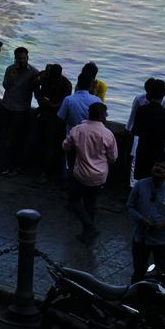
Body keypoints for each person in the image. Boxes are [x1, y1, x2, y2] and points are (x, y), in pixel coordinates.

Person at [63, 101, 118, 245]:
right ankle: (88, 230)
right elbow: (113, 157)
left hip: (80, 173)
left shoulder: (78, 129)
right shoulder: (107, 134)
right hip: (99, 175)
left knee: (75, 201)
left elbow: (66, 146)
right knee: (90, 202)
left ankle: (89, 228)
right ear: (101, 116)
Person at [127, 160, 165, 281]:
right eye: (156, 165)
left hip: (161, 241)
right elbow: (130, 206)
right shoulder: (140, 185)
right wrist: (141, 219)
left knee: (161, 273)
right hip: (141, 239)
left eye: (162, 167)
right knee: (138, 272)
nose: (158, 168)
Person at [0, 46, 38, 176]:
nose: (22, 61)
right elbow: (6, 86)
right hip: (7, 106)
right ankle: (3, 164)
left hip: (21, 109)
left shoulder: (33, 72)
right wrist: (12, 77)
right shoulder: (10, 69)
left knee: (14, 139)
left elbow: (36, 90)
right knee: (4, 137)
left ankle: (10, 166)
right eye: (19, 58)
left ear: (27, 58)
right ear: (15, 59)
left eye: (24, 58)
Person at [34, 63, 73, 180]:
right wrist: (41, 99)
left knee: (49, 144)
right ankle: (44, 171)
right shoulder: (47, 78)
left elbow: (63, 103)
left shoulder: (64, 84)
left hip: (54, 117)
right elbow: (36, 86)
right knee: (45, 143)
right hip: (46, 113)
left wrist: (50, 104)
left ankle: (45, 172)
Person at [132, 81, 165, 179]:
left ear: (150, 92)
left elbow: (135, 131)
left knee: (141, 179)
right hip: (157, 152)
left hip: (142, 149)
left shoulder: (141, 110)